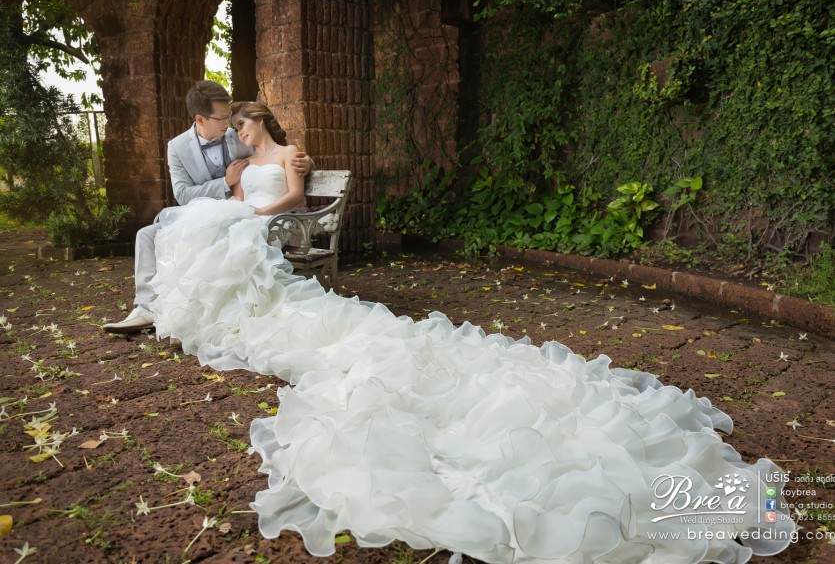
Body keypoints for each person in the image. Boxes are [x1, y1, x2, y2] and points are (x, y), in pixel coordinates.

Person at [143, 113, 796, 562]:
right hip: (250, 229)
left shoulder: (285, 155)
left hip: (277, 230)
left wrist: (262, 197)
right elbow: (221, 187)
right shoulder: (237, 161)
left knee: (392, 372)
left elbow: (291, 193)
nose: (242, 131)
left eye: (248, 123)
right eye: (237, 125)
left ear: (261, 125)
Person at [103, 81, 312, 333]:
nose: (228, 122)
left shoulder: (239, 135)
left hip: (239, 214)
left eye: (229, 116)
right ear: (200, 119)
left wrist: (307, 162)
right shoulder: (177, 148)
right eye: (222, 118)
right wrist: (224, 182)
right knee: (146, 235)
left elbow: (273, 150)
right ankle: (145, 308)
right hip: (204, 212)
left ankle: (199, 316)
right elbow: (182, 194)